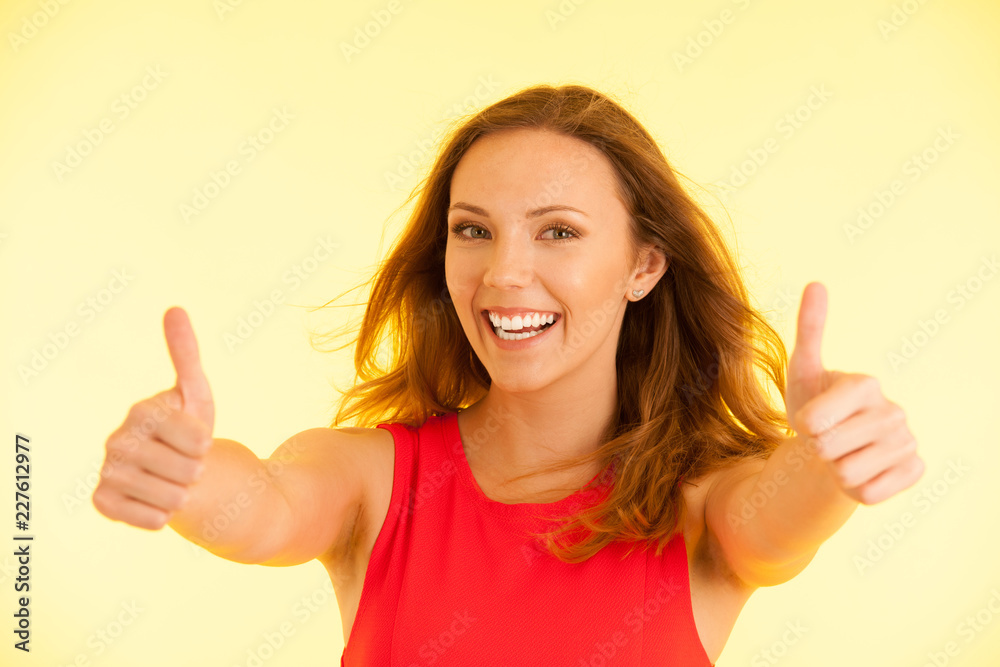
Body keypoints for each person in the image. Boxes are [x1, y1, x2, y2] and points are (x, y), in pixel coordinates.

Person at [92, 84, 924, 665]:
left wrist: (834, 457)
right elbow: (264, 505)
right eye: (473, 230)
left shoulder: (704, 508)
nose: (503, 275)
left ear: (644, 265)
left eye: (558, 232)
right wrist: (182, 472)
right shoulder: (375, 480)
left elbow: (783, 517)